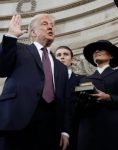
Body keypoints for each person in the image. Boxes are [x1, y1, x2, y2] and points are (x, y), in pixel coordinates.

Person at [0, 14, 69, 150]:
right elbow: (2, 68)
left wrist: (65, 130)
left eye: (52, 25)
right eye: (44, 24)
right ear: (33, 32)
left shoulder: (61, 67)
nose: (50, 27)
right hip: (17, 119)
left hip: (49, 125)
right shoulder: (19, 49)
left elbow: (64, 100)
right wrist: (11, 36)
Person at [76, 40, 118, 150]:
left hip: (115, 126)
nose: (97, 51)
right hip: (90, 127)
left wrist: (108, 97)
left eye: (101, 49)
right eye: (95, 51)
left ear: (111, 55)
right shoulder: (84, 79)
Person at [55, 46, 84, 150]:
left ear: (72, 59)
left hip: (77, 130)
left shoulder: (82, 79)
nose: (62, 57)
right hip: (52, 130)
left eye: (65, 54)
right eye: (58, 55)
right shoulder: (47, 80)